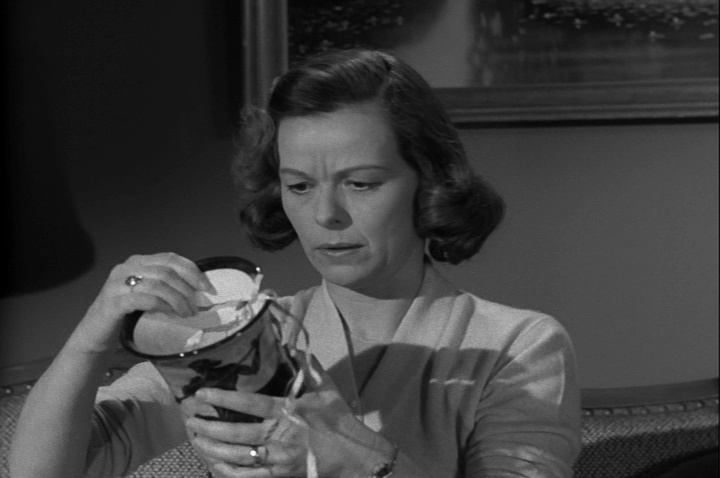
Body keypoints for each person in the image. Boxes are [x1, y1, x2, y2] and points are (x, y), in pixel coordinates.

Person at [9, 48, 581, 478]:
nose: (326, 214)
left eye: (360, 183)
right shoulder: (239, 338)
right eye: (300, 185)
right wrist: (91, 339)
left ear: (427, 181)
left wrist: (356, 458)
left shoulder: (516, 345)